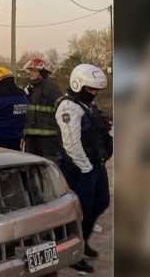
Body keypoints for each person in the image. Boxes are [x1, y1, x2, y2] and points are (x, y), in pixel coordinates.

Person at [56, 63, 112, 273]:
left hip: (95, 165)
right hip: (79, 168)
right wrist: (87, 168)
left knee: (101, 202)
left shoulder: (87, 105)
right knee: (79, 211)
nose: (95, 93)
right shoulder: (68, 107)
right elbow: (71, 143)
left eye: (97, 89)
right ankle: (74, 253)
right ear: (78, 84)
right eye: (91, 89)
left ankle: (83, 241)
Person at [21, 58, 64, 161]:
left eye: (33, 71)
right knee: (31, 167)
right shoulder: (29, 89)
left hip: (48, 139)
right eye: (30, 70)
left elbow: (62, 109)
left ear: (42, 72)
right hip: (31, 138)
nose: (30, 73)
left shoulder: (52, 88)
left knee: (48, 167)